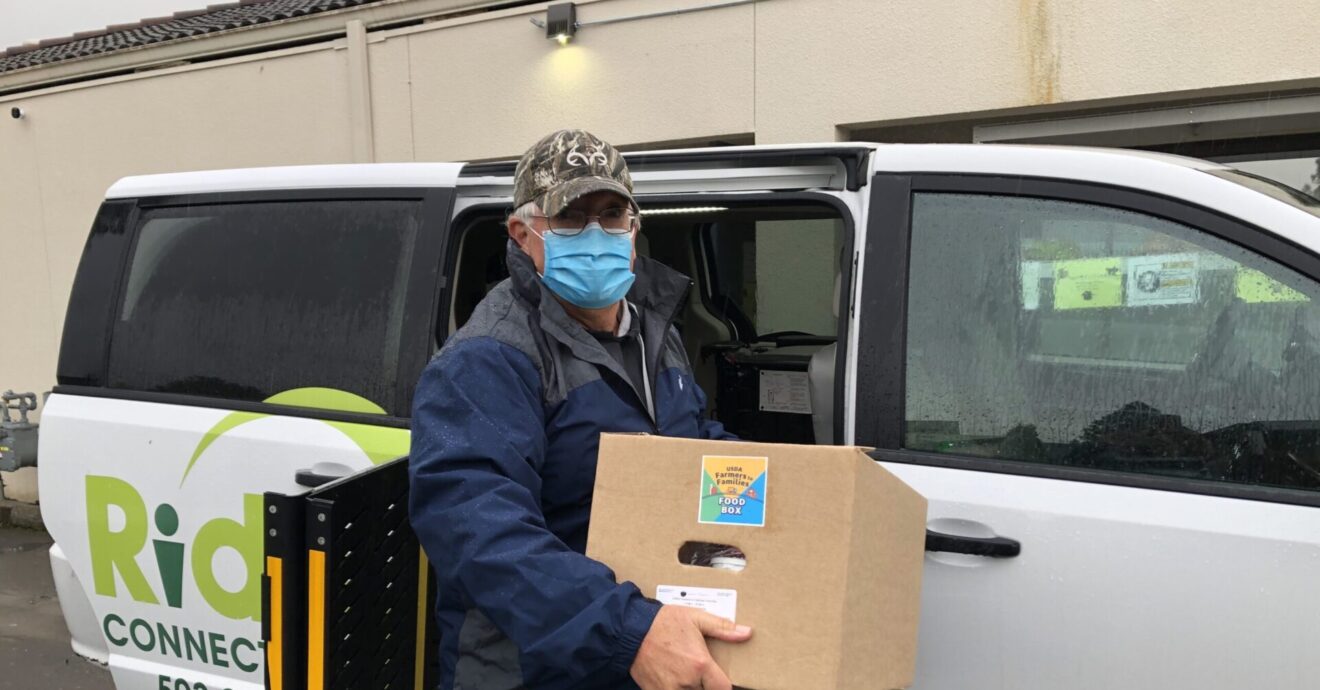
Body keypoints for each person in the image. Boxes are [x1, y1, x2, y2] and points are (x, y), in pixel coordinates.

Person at [409, 129, 751, 690]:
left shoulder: (652, 330)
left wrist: (774, 484)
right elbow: (480, 531)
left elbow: (685, 439)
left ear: (633, 231)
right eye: (570, 218)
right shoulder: (486, 359)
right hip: (534, 666)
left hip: (640, 637)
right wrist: (629, 630)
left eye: (612, 214)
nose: (596, 234)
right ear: (522, 233)